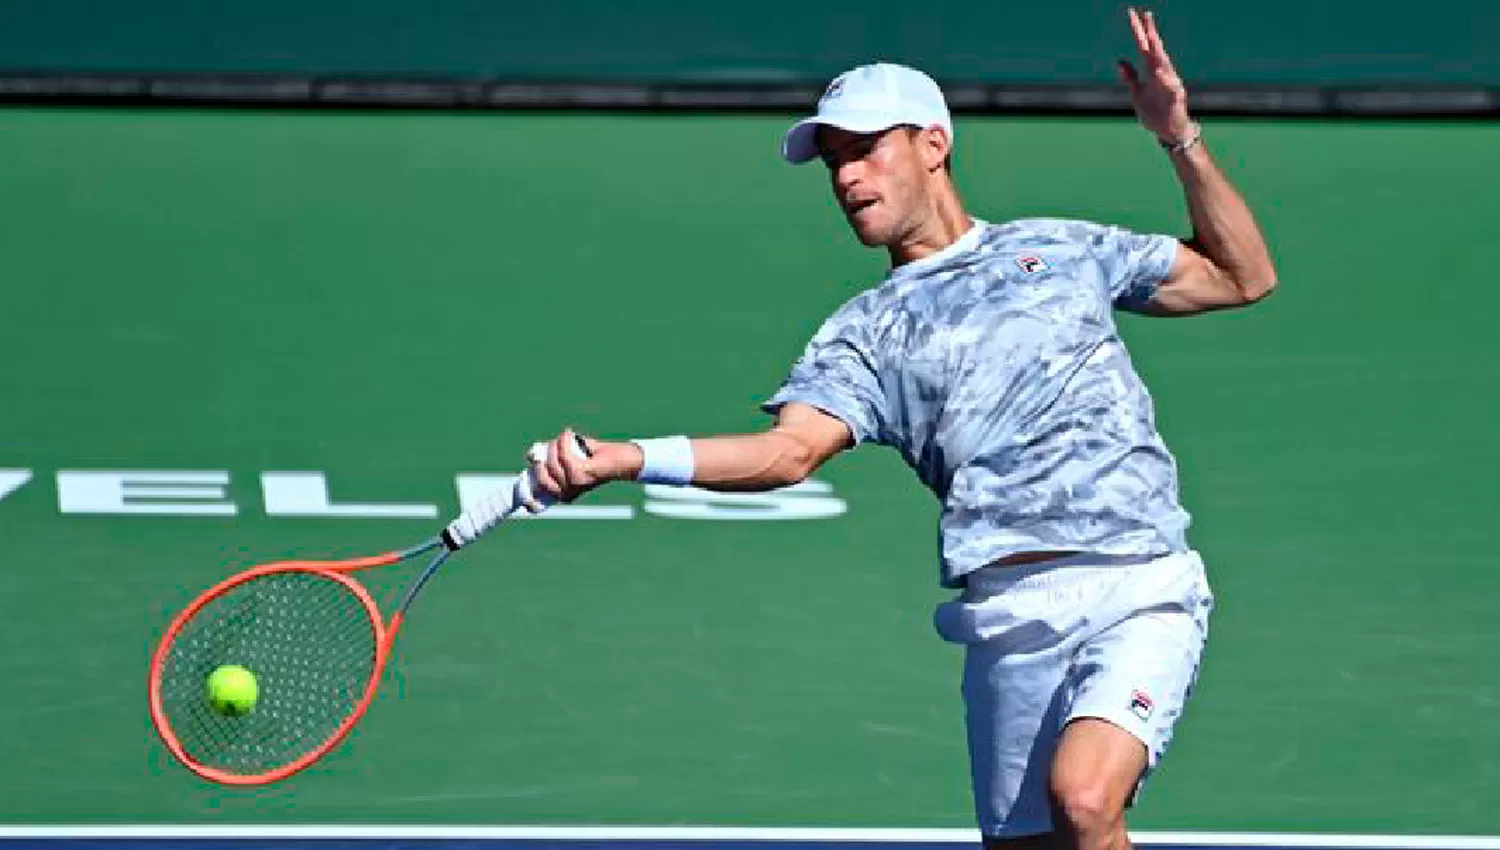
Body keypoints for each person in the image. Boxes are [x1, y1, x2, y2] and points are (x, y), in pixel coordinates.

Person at [526, 8, 1276, 849]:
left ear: (932, 143)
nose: (846, 177)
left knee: (1085, 801)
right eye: (834, 162)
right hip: (1006, 614)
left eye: (864, 148)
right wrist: (630, 458)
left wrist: (1181, 138)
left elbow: (1242, 275)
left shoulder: (1063, 249)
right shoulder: (864, 332)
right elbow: (786, 452)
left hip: (1139, 582)